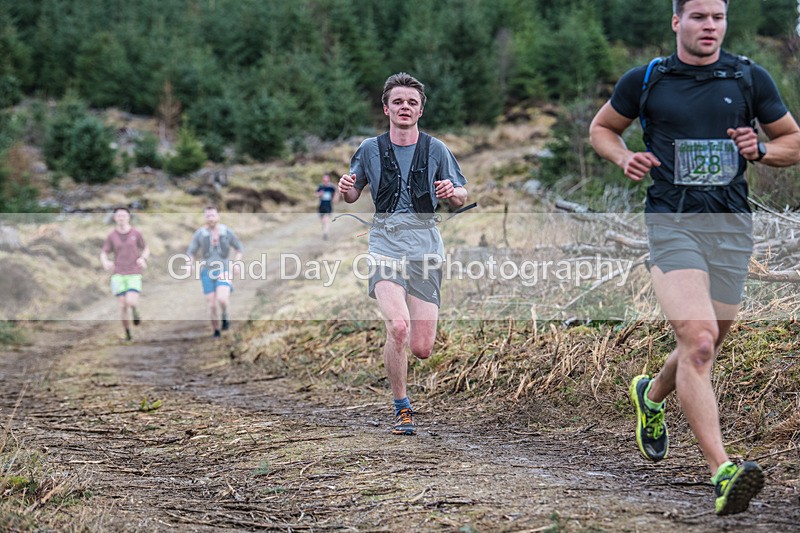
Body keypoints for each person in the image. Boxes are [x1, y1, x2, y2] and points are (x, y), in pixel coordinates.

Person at [589, 0, 800, 516]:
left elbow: (792, 142)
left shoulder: (750, 78)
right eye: (699, 16)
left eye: (718, 17)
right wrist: (624, 156)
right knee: (700, 341)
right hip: (672, 224)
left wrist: (759, 152)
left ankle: (651, 395)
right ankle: (722, 471)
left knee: (706, 342)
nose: (710, 26)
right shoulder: (648, 80)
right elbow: (601, 128)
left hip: (730, 228)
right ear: (677, 21)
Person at [339, 72, 468, 436]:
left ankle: (405, 380)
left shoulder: (437, 149)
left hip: (426, 246)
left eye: (412, 102)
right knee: (397, 326)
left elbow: (459, 197)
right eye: (398, 101)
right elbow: (351, 194)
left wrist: (450, 192)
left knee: (423, 347)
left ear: (420, 110)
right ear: (386, 108)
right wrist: (346, 188)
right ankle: (402, 407)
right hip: (385, 244)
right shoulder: (369, 149)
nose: (405, 107)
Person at [186, 205, 244, 338]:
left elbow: (239, 248)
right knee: (211, 304)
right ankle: (216, 330)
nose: (210, 218)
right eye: (207, 216)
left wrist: (237, 263)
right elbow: (191, 251)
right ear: (204, 218)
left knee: (222, 299)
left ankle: (225, 315)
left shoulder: (226, 231)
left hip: (223, 270)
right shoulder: (200, 233)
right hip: (207, 272)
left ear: (218, 216)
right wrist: (189, 264)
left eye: (212, 215)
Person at [100, 207, 150, 341]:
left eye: (123, 215)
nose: (121, 218)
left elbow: (145, 248)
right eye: (118, 216)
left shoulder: (136, 233)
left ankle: (135, 311)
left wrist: (143, 258)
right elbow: (104, 252)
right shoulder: (112, 236)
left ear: (129, 217)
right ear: (115, 218)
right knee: (122, 306)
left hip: (134, 272)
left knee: (131, 301)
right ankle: (127, 333)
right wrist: (105, 262)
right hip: (118, 273)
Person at [316, 173, 338, 240]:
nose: (325, 181)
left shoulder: (331, 187)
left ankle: (325, 233)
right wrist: (320, 194)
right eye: (324, 180)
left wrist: (335, 199)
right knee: (322, 221)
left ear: (328, 180)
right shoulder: (320, 186)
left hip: (328, 205)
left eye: (327, 180)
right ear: (323, 180)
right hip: (321, 206)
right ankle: (324, 228)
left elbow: (336, 193)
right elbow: (316, 194)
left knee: (326, 220)